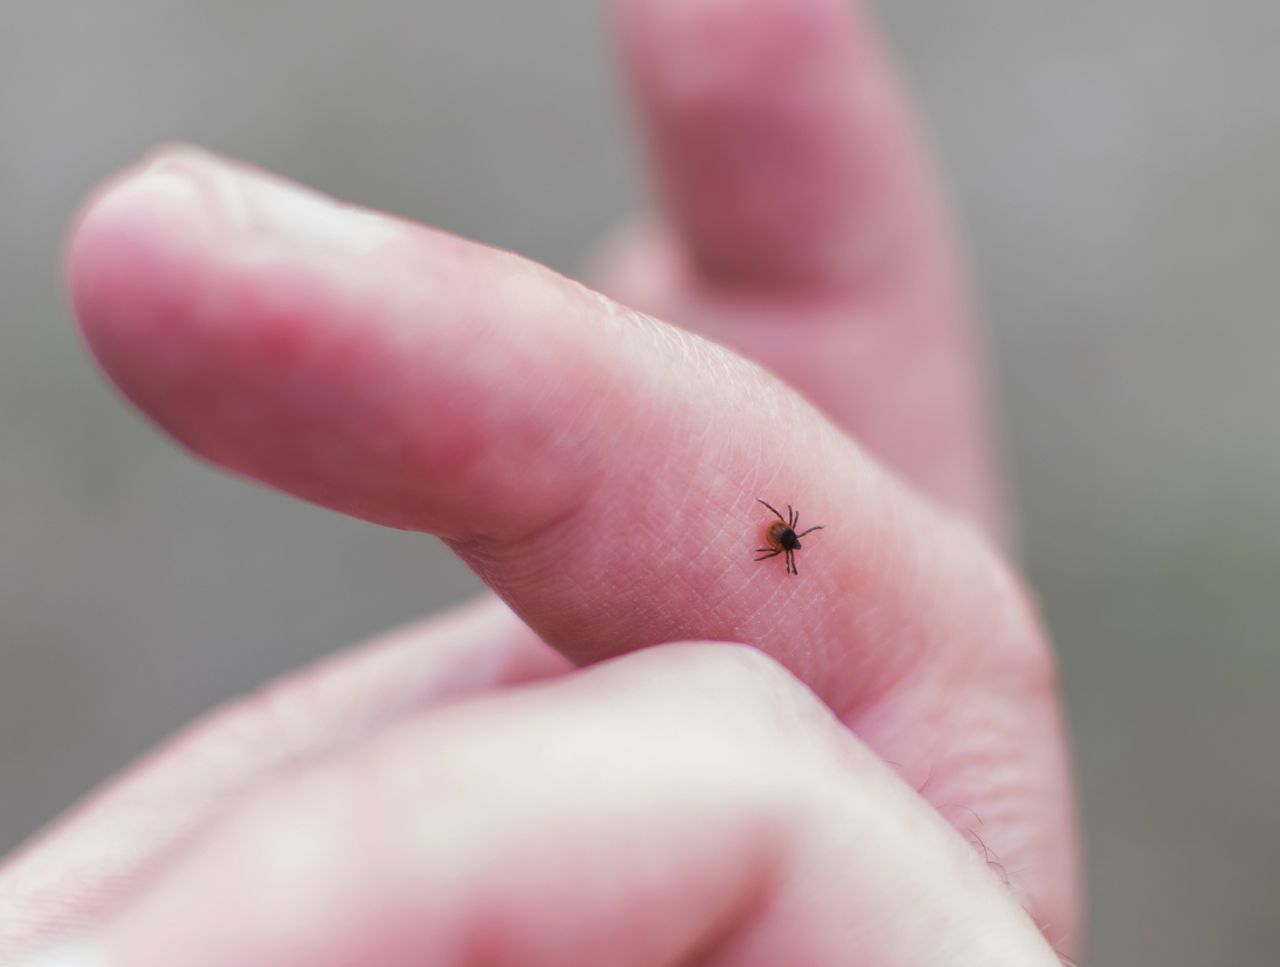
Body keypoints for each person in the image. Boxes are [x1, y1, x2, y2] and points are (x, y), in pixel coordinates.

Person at [1, 0, 1079, 963]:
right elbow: (779, 537)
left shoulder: (782, 542)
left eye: (785, 539)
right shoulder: (785, 543)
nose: (786, 538)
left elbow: (778, 538)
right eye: (787, 536)